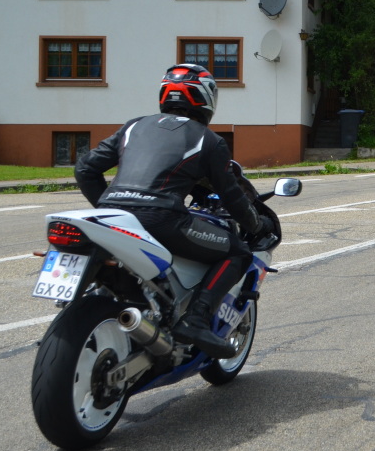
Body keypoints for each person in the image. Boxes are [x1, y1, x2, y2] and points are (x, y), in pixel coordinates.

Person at [75, 64, 273, 359]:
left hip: (113, 217)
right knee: (238, 253)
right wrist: (256, 225)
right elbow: (232, 196)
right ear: (207, 100)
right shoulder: (209, 140)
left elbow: (85, 168)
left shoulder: (134, 126)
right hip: (162, 219)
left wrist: (109, 206)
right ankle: (196, 320)